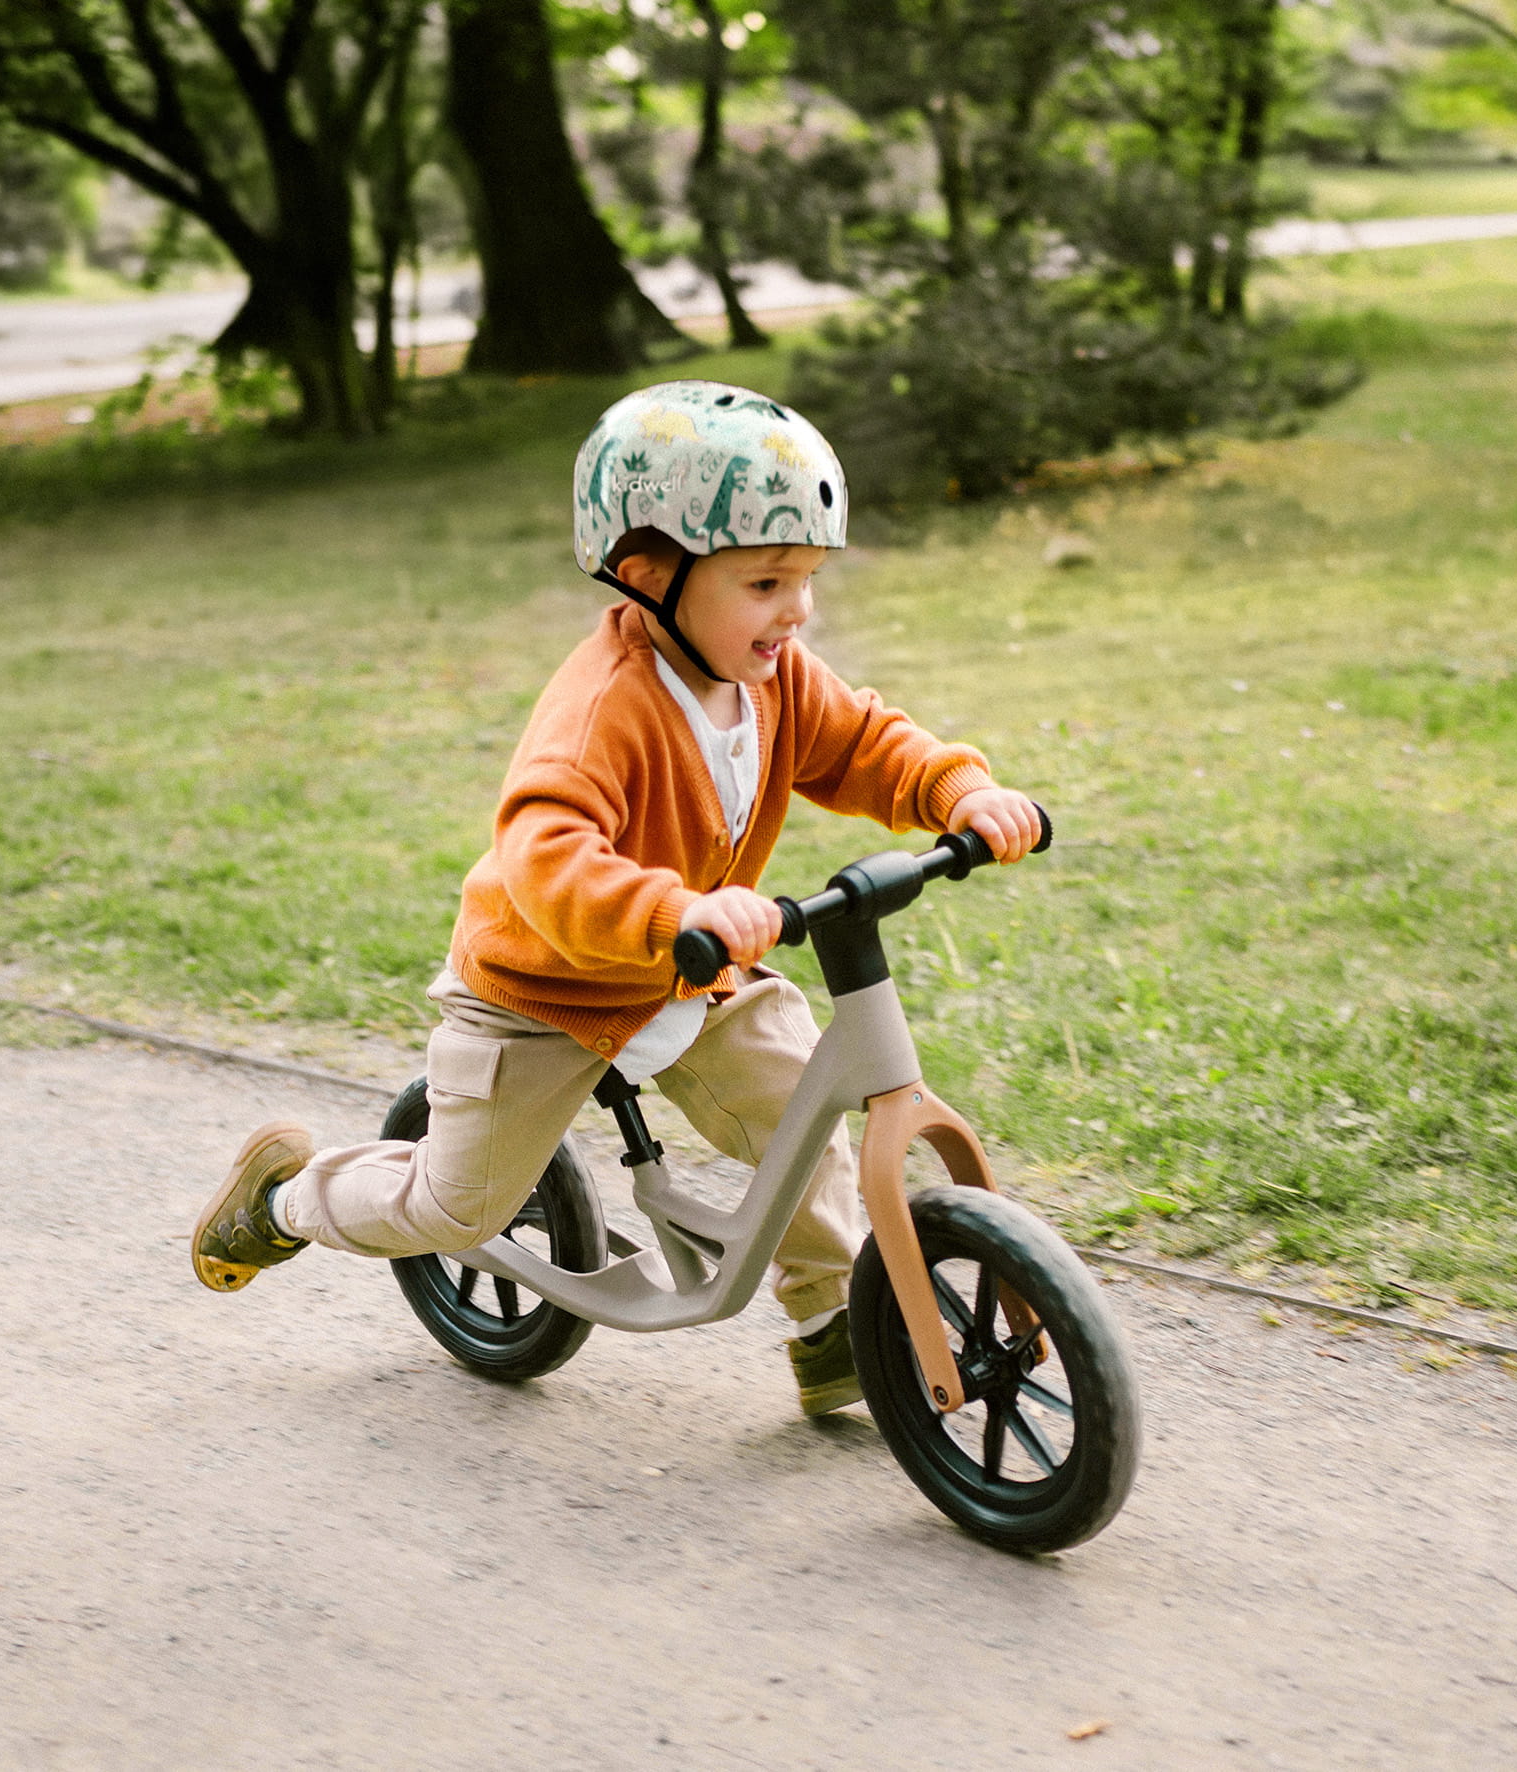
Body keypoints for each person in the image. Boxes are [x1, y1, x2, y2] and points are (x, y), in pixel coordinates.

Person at [190, 379, 1044, 1416]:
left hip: (690, 973)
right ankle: (287, 1196)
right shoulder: (605, 708)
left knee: (805, 1116)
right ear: (648, 573)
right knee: (458, 1207)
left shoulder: (774, 678)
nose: (798, 610)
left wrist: (959, 792)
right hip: (542, 993)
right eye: (766, 581)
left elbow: (865, 742)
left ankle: (831, 1326)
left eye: (808, 578)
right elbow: (546, 857)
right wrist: (674, 911)